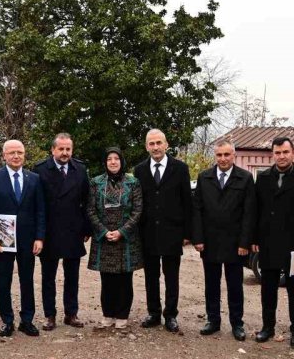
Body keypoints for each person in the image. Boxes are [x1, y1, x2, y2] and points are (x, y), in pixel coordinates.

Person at [251, 136, 294, 348]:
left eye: (285, 152)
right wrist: (254, 238)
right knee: (268, 287)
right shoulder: (263, 178)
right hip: (269, 242)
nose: (281, 156)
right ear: (273, 154)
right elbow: (256, 211)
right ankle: (267, 326)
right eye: (277, 153)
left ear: (293, 153)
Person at [192, 140, 256, 342]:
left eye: (227, 155)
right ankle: (213, 320)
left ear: (233, 155)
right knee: (211, 284)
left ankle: (237, 323)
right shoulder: (204, 178)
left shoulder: (244, 178)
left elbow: (249, 213)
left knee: (235, 285)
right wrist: (198, 238)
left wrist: (245, 243)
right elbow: (197, 210)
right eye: (219, 155)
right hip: (209, 242)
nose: (223, 159)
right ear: (215, 156)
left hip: (235, 243)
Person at [0, 139, 46, 337]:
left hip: (28, 240)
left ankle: (27, 320)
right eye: (12, 153)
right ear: (4, 156)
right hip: (3, 240)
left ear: (24, 155)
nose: (16, 156)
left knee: (27, 281)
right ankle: (7, 321)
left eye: (19, 152)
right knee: (4, 281)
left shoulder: (34, 178)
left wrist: (40, 237)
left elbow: (40, 210)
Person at [133, 129, 192, 333]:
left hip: (172, 233)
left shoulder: (180, 169)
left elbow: (187, 202)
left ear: (166, 144)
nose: (156, 147)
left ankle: (171, 315)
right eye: (151, 144)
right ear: (146, 146)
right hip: (147, 233)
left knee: (171, 276)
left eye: (159, 143)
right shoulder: (139, 170)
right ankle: (154, 313)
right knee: (151, 276)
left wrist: (187, 233)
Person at [33, 133, 90, 330]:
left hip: (73, 230)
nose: (65, 153)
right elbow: (36, 204)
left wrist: (86, 228)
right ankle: (50, 315)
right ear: (53, 150)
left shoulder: (80, 169)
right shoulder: (40, 170)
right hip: (49, 232)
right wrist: (38, 234)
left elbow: (87, 201)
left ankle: (71, 313)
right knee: (48, 277)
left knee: (72, 276)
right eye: (61, 149)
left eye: (68, 149)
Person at [87, 148, 143, 330]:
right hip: (104, 238)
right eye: (109, 159)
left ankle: (122, 314)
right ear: (105, 162)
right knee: (107, 280)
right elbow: (90, 209)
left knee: (125, 280)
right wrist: (104, 231)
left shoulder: (133, 182)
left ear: (121, 161)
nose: (113, 162)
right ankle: (108, 314)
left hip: (126, 239)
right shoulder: (96, 182)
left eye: (116, 159)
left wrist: (122, 231)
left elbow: (137, 210)